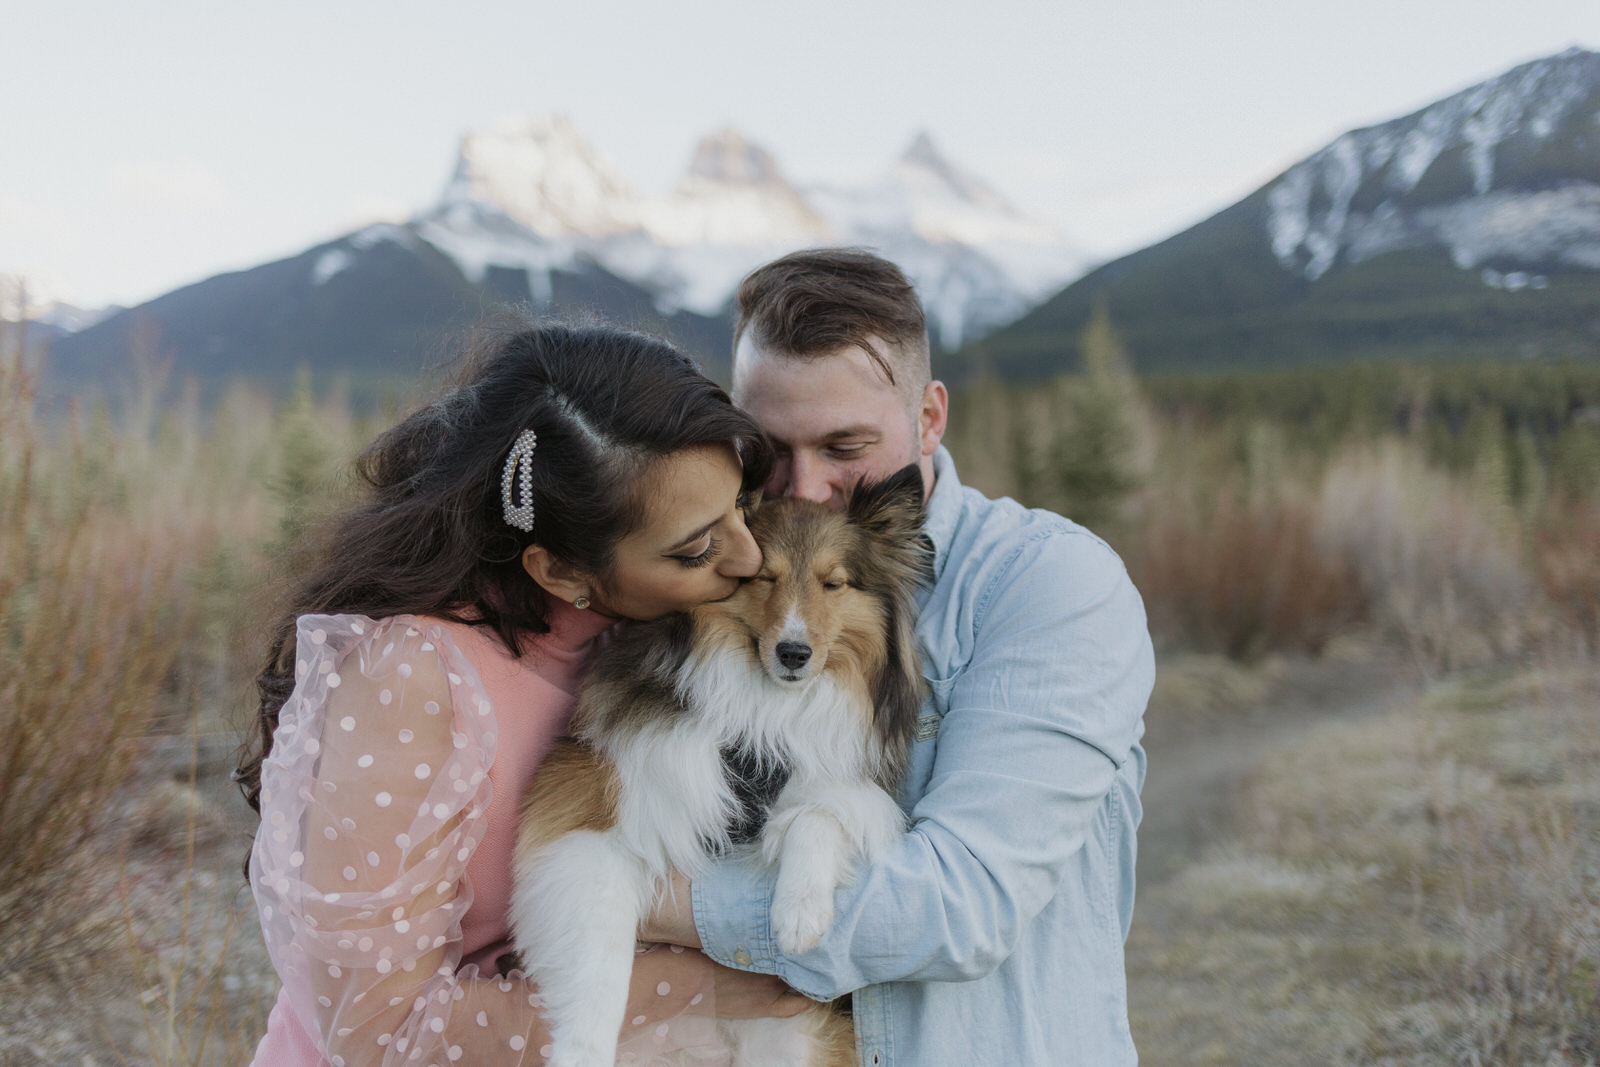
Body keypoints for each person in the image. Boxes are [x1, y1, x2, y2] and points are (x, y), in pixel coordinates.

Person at [237, 319, 811, 1065]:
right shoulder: (410, 677)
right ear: (561, 572)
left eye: (743, 505)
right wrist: (704, 983)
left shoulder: (653, 634)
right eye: (697, 547)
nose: (750, 553)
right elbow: (380, 1031)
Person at [643, 249, 1155, 1065]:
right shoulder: (705, 580)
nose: (804, 488)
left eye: (845, 447)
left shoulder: (1048, 584)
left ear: (928, 418)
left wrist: (638, 898)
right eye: (770, 450)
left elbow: (963, 903)